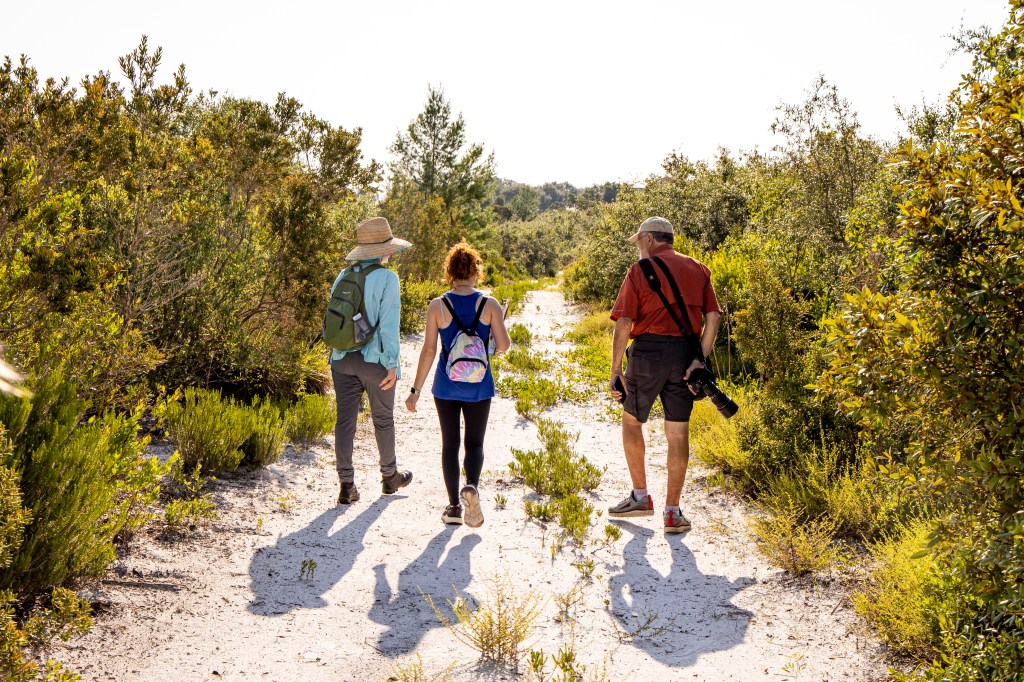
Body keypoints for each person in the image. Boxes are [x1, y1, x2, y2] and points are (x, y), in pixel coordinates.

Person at [607, 217, 723, 532]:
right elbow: (713, 316)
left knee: (631, 421)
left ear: (648, 239)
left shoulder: (639, 271)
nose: (638, 248)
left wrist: (616, 369)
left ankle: (641, 497)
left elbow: (624, 322)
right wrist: (700, 358)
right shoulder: (699, 269)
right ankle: (672, 513)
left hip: (647, 354)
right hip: (686, 356)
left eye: (638, 242)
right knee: (677, 432)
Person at [405, 241, 511, 527]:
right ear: (476, 272)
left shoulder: (437, 306)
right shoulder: (489, 304)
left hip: (445, 386)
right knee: (474, 443)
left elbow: (428, 351)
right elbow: (503, 346)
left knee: (450, 445)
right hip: (479, 386)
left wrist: (415, 391)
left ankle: (453, 507)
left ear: (449, 273)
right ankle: (472, 487)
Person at [331, 217, 414, 505]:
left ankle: (346, 485)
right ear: (385, 249)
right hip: (374, 361)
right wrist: (393, 364)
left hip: (340, 358)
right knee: (382, 419)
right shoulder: (388, 278)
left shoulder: (343, 275)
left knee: (345, 421)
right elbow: (390, 325)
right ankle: (390, 477)